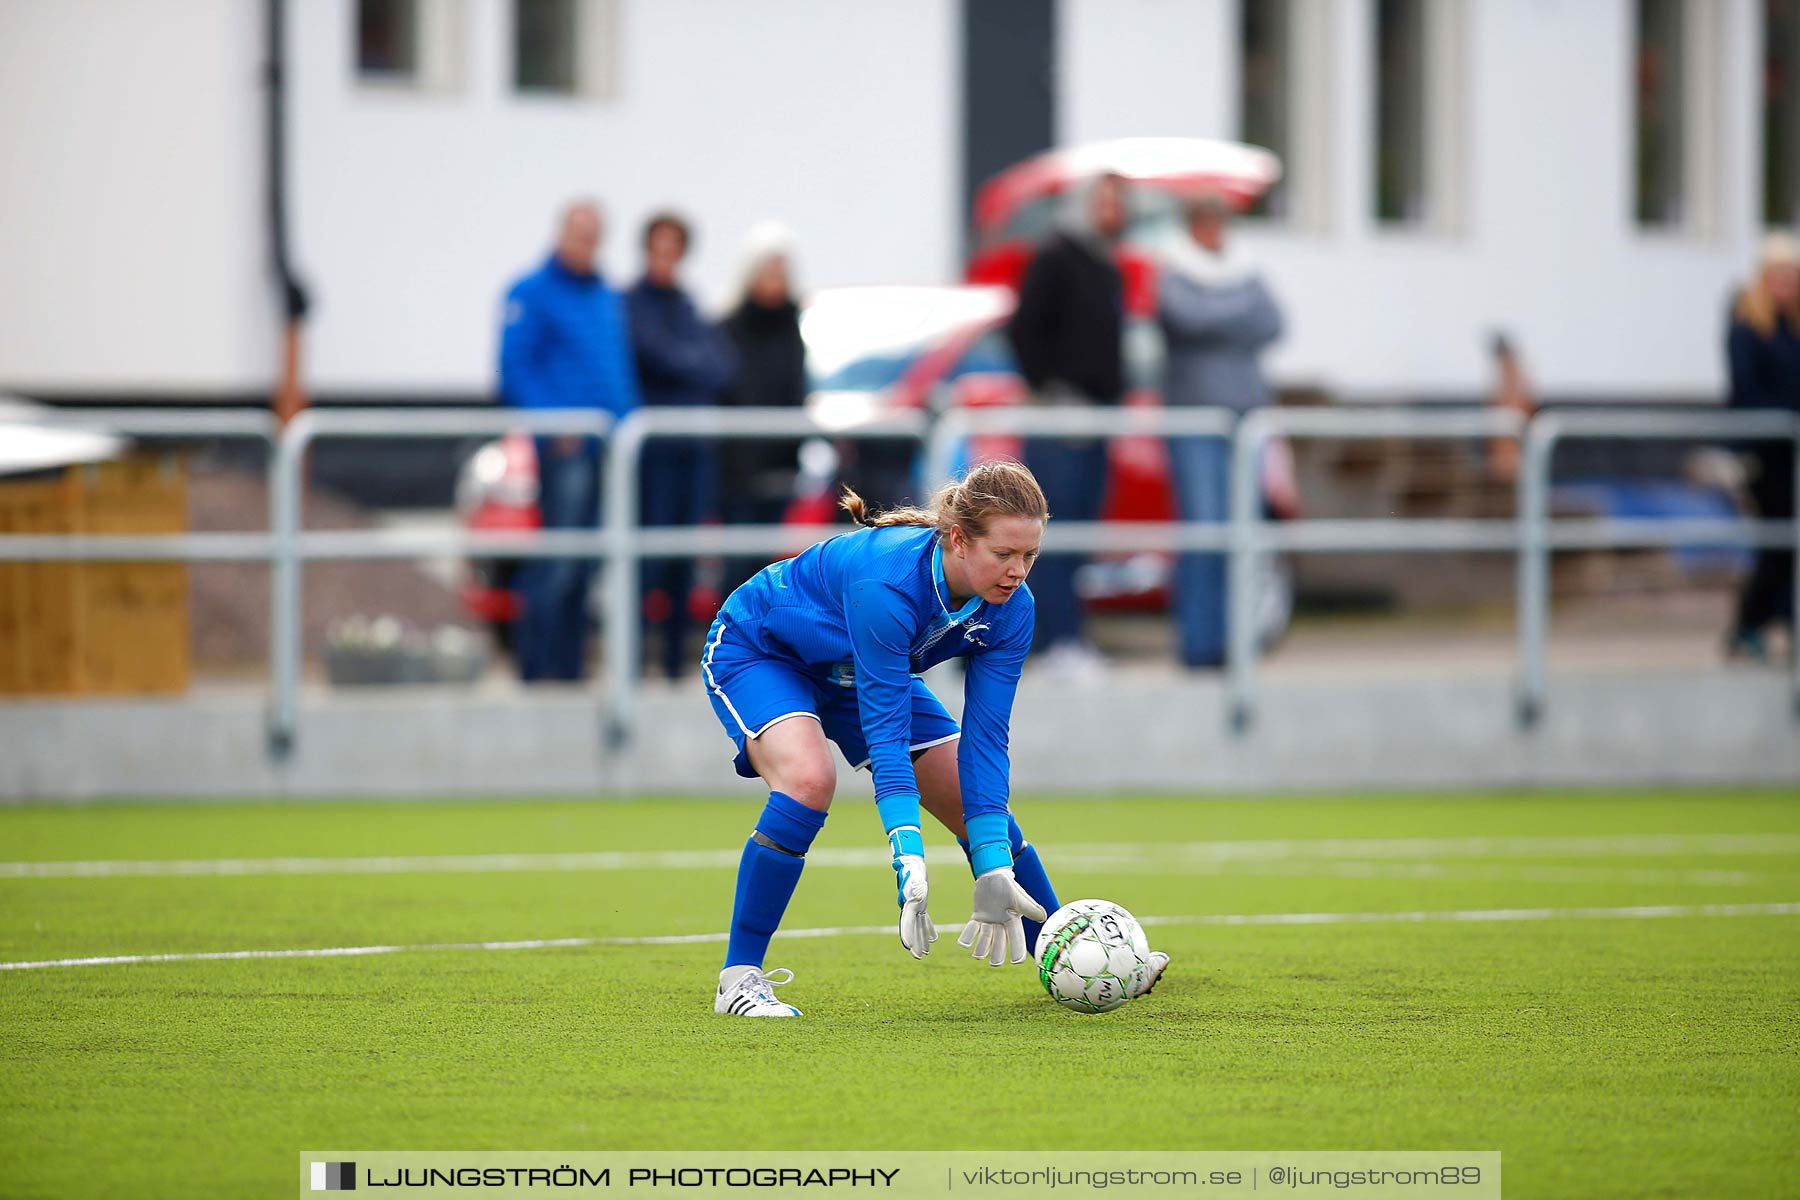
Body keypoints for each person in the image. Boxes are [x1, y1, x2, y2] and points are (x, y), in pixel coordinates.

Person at [701, 461, 1170, 1016]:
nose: (1018, 571)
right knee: (808, 780)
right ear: (957, 540)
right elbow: (886, 733)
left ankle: (1078, 951)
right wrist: (908, 853)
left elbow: (987, 741)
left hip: (861, 669)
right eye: (1003, 554)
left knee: (967, 800)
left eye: (1030, 556)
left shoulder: (1013, 610)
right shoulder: (888, 582)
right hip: (763, 650)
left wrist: (993, 861)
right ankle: (740, 977)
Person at [498, 199, 640, 682]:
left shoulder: (603, 293)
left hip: (608, 449)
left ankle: (571, 669)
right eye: (580, 234)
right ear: (561, 233)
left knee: (587, 565)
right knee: (557, 562)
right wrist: (552, 424)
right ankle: (539, 671)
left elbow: (615, 368)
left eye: (594, 235)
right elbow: (516, 368)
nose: (587, 244)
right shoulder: (532, 292)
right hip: (568, 450)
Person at [1004, 172, 1130, 680]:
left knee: (1080, 532)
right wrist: (1050, 387)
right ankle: (1054, 640)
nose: (1112, 213)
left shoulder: (1106, 263)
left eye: (1118, 204)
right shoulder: (1055, 256)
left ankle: (1069, 637)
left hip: (1099, 416)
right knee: (1050, 534)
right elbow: (1023, 329)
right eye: (1103, 203)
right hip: (1061, 417)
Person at [1156, 192, 1285, 669]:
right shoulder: (1174, 270)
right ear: (1192, 225)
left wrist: (1220, 313)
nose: (1215, 232)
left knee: (1241, 531)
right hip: (1196, 420)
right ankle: (1199, 643)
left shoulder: (1243, 267)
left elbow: (1274, 321)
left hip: (1245, 421)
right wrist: (1237, 311)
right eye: (1206, 221)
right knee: (1205, 530)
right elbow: (1186, 317)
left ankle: (1237, 641)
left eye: (1220, 222)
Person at [626, 212, 738, 680]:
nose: (667, 257)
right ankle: (631, 665)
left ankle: (673, 665)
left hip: (692, 451)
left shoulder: (688, 305)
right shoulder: (632, 303)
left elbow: (723, 366)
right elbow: (656, 354)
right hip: (654, 455)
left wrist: (686, 363)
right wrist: (691, 364)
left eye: (675, 247)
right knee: (646, 561)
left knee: (683, 561)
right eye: (660, 246)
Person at [719, 222, 808, 596]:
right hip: (739, 470)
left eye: (781, 270)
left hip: (780, 466)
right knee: (738, 570)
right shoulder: (729, 328)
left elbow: (796, 390)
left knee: (769, 572)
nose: (776, 278)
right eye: (769, 269)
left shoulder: (792, 327)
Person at [1724, 232, 1800, 661]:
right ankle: (1752, 623)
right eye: (1781, 275)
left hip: (1791, 451)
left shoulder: (1792, 327)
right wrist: (1785, 416)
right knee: (1777, 541)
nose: (1788, 283)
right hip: (1762, 451)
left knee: (1787, 541)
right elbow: (1745, 389)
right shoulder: (1747, 326)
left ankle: (1778, 623)